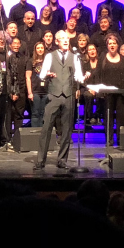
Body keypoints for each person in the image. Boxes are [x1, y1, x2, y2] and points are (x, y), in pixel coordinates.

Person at [34, 30, 85, 170]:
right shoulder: (50, 56)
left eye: (67, 38)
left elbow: (78, 76)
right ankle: (40, 160)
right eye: (62, 38)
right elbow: (42, 74)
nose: (65, 40)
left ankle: (62, 159)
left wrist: (83, 78)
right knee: (46, 129)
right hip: (54, 96)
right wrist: (47, 74)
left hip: (68, 96)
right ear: (56, 42)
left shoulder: (74, 57)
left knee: (67, 130)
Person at [100, 34, 124, 147]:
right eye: (110, 44)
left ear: (118, 45)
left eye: (114, 43)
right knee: (108, 118)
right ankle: (109, 141)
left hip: (121, 93)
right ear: (107, 46)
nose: (112, 45)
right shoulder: (103, 58)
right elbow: (99, 74)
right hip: (108, 93)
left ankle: (120, 140)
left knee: (121, 117)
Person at [26, 42, 49, 127]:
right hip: (35, 91)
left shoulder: (48, 62)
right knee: (35, 113)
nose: (40, 50)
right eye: (38, 48)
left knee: (43, 113)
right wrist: (30, 92)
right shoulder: (31, 61)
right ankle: (35, 133)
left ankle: (42, 133)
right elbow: (28, 77)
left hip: (45, 91)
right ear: (35, 50)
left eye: (42, 48)